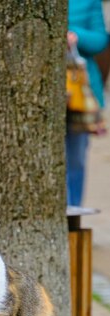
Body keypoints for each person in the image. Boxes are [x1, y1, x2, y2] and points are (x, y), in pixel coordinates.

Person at [66, 0, 109, 206]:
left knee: (75, 158)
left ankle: (73, 213)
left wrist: (76, 35)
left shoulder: (88, 1)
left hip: (80, 93)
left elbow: (100, 39)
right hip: (42, 88)